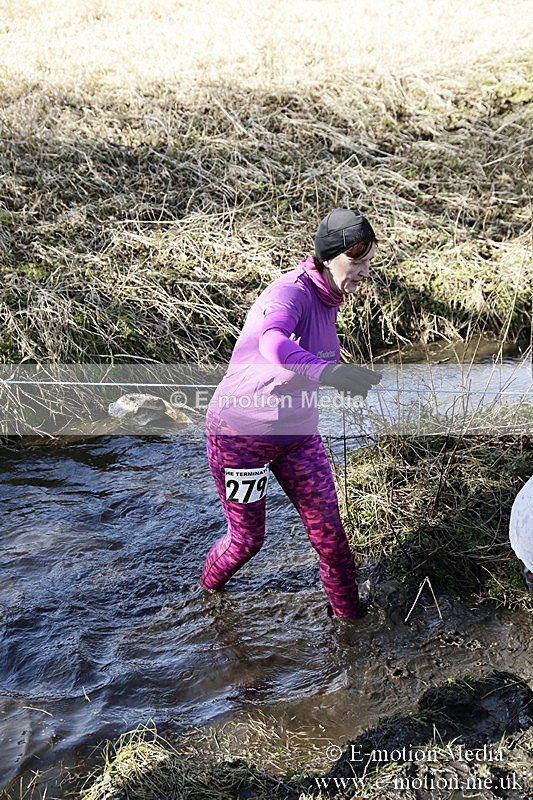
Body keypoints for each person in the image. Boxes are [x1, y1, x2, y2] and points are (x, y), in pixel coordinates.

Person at [199, 208, 382, 620]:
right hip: (240, 437)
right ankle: (205, 599)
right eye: (356, 261)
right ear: (326, 257)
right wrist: (331, 372)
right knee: (247, 540)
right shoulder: (289, 294)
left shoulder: (330, 296)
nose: (364, 272)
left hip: (298, 437)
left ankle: (350, 623)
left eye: (368, 261)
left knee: (331, 539)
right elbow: (274, 345)